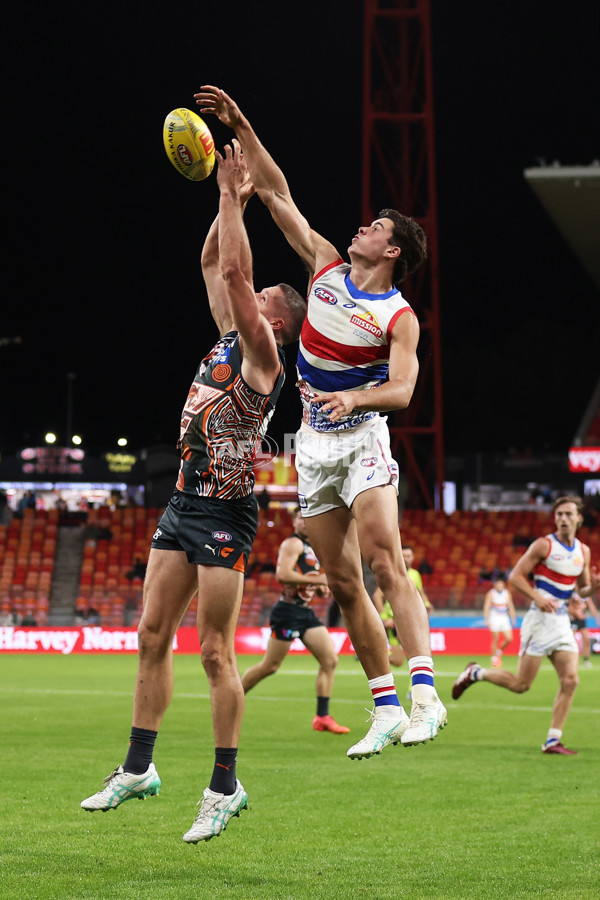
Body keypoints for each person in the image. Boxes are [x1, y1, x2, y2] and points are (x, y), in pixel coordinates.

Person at [195, 85, 447, 759]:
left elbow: (401, 389)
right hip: (314, 443)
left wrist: (356, 402)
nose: (363, 227)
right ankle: (385, 705)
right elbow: (277, 195)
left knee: (386, 559)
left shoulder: (397, 317)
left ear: (392, 251)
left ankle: (426, 697)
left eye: (377, 228)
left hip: (361, 435)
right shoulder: (328, 266)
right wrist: (242, 123)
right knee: (342, 579)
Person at [80, 141, 306, 842]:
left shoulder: (265, 357)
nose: (253, 290)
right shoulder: (226, 339)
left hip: (225, 512)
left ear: (275, 322)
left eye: (264, 297)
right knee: (151, 634)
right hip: (183, 500)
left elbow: (236, 270)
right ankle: (139, 768)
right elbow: (216, 264)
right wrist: (219, 196)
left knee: (214, 651)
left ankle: (224, 785)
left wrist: (233, 197)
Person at [453, 496, 600, 755]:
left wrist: (593, 588)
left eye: (568, 514)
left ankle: (553, 740)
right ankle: (476, 673)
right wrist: (537, 597)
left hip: (562, 622)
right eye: (559, 515)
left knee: (571, 680)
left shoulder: (583, 551)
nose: (563, 519)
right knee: (522, 685)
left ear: (579, 518)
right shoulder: (544, 545)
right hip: (539, 622)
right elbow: (515, 576)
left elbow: (582, 589)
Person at [241, 506, 350, 734]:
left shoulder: (313, 547)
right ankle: (232, 697)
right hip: (288, 612)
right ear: (294, 522)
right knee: (270, 666)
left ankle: (322, 717)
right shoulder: (294, 544)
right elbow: (283, 574)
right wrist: (320, 582)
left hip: (304, 612)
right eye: (300, 518)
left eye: (308, 518)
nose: (305, 522)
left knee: (330, 660)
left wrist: (319, 588)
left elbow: (309, 579)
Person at [483, 575, 517, 667]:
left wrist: (513, 618)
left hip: (504, 618)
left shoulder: (507, 593)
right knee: (496, 639)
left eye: (501, 584)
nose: (500, 586)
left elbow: (510, 605)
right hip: (494, 618)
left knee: (509, 638)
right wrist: (487, 619)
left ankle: (499, 651)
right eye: (498, 584)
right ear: (495, 585)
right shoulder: (491, 594)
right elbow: (486, 607)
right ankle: (494, 659)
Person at [567, 590, 600, 668]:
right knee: (571, 640)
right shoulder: (573, 594)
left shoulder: (585, 595)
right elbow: (569, 606)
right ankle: (569, 659)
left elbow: (591, 606)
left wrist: (597, 619)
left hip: (582, 620)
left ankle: (586, 660)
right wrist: (575, 613)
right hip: (574, 619)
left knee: (586, 640)